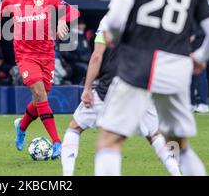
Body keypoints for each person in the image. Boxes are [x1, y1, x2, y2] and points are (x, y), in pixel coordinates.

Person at [94, 0, 209, 176]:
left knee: (109, 140)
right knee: (179, 146)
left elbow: (117, 19)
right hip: (176, 67)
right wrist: (199, 57)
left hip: (137, 64)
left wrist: (111, 34)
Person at [0, 0, 80, 159]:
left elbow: (73, 11)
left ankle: (21, 126)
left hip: (47, 56)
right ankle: (57, 142)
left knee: (39, 99)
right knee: (40, 94)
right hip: (25, 56)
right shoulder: (11, 1)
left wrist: (62, 20)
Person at [61, 16, 181, 176]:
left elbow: (97, 56)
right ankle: (177, 172)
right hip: (140, 86)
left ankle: (66, 177)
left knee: (75, 128)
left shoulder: (109, 20)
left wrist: (87, 88)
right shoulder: (147, 20)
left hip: (110, 87)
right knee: (154, 135)